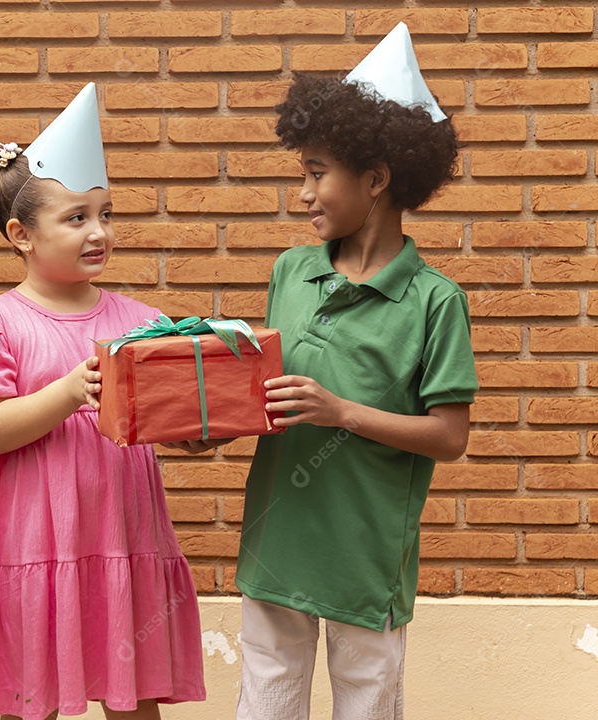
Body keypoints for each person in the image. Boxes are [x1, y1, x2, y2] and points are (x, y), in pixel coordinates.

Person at [231, 24, 479, 719]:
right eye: (302, 174)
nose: (303, 192)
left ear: (376, 178)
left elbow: (448, 436)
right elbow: (267, 395)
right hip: (277, 545)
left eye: (316, 173)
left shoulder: (435, 301)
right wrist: (210, 424)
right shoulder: (291, 271)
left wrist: (341, 412)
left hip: (368, 563)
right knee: (265, 704)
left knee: (367, 707)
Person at [0, 84, 205, 720]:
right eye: (76, 218)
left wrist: (198, 428)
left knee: (133, 700)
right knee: (29, 700)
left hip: (124, 535)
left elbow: (164, 423)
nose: (99, 232)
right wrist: (68, 392)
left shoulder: (143, 321)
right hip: (36, 543)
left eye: (106, 214)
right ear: (20, 234)